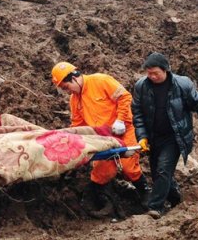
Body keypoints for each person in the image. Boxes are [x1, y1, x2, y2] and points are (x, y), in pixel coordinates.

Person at [132, 53, 198, 219]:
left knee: (163, 169)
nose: (151, 76)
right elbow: (137, 113)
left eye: (155, 73)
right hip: (154, 137)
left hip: (175, 137)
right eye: (149, 73)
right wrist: (142, 136)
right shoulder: (141, 86)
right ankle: (176, 200)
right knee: (158, 174)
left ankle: (155, 208)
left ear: (166, 70)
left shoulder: (182, 85)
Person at [51, 62, 150, 219]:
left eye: (66, 87)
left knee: (128, 167)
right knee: (101, 172)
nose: (67, 91)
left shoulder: (101, 80)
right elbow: (78, 125)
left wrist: (121, 119)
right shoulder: (74, 100)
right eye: (64, 89)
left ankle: (146, 195)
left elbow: (124, 97)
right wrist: (75, 143)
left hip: (123, 131)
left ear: (74, 77)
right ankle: (96, 200)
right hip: (103, 138)